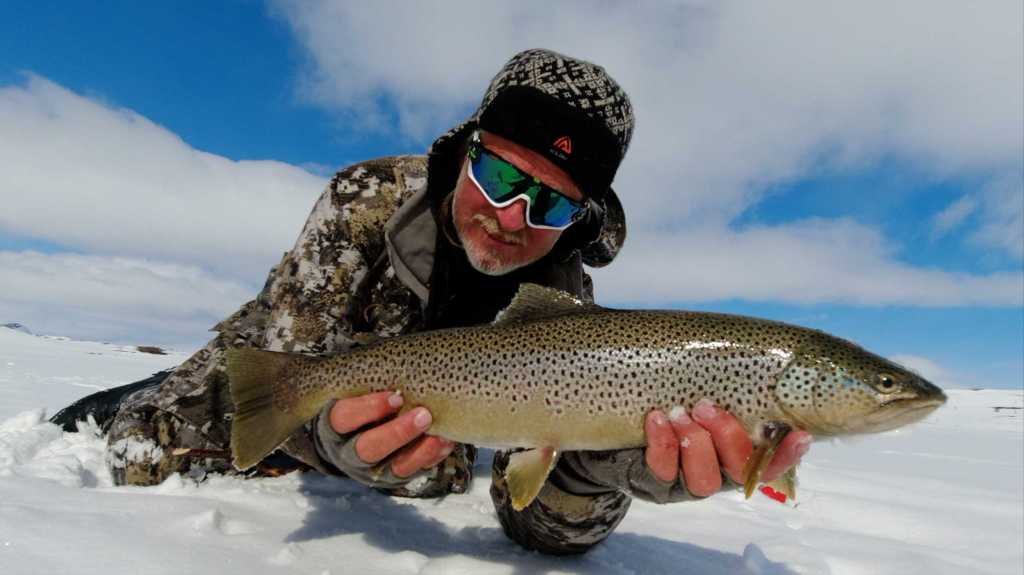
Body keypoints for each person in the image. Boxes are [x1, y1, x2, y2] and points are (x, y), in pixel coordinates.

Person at [53, 49, 810, 555]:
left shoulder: (569, 304)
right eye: (500, 178)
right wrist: (329, 440)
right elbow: (290, 366)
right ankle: (125, 392)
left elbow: (532, 515)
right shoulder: (365, 201)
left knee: (436, 472)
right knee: (150, 444)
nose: (511, 217)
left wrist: (603, 472)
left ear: (579, 218)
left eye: (547, 205)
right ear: (467, 151)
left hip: (430, 423)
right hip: (277, 361)